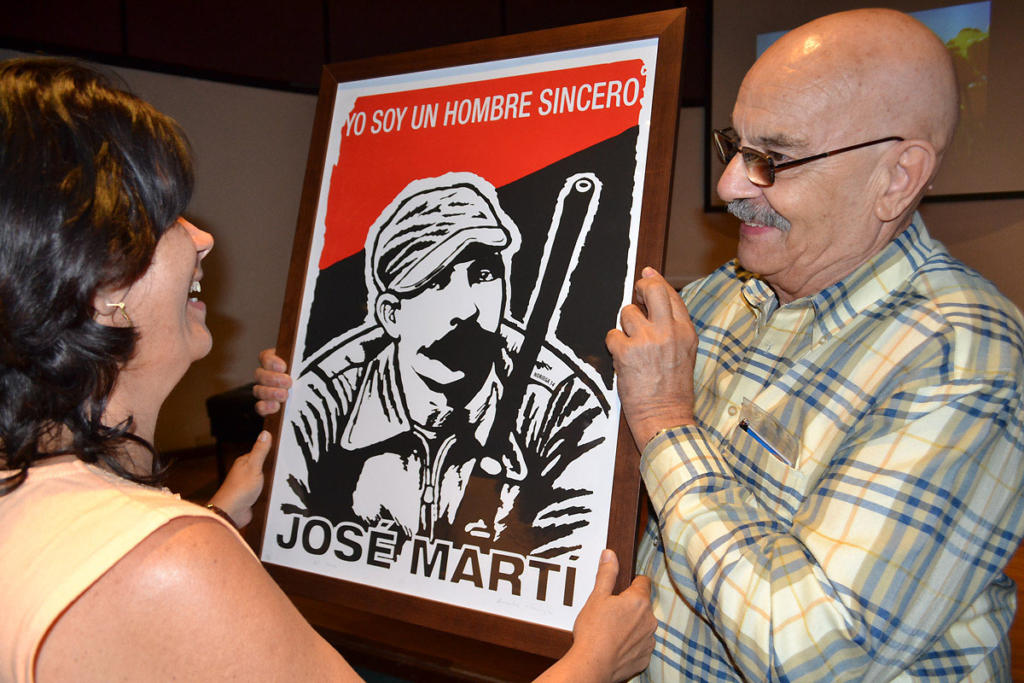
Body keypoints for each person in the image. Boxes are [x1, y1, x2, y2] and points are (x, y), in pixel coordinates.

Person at [0, 57, 655, 682]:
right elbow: (150, 580)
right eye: (167, 218)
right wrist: (594, 660)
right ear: (100, 286)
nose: (203, 238)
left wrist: (222, 516)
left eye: (484, 273)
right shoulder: (172, 561)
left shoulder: (23, 489)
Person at [603, 8, 1024, 682]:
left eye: (773, 157)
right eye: (735, 147)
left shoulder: (962, 353)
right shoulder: (719, 298)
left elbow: (810, 655)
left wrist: (664, 423)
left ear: (897, 177)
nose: (729, 185)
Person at [277, 172, 610, 558]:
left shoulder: (563, 409)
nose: (468, 308)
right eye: (436, 282)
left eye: (484, 275)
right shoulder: (326, 399)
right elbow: (279, 547)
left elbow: (578, 566)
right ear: (391, 313)